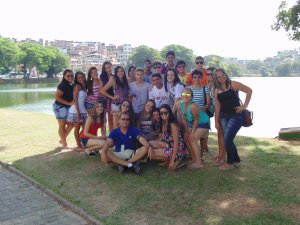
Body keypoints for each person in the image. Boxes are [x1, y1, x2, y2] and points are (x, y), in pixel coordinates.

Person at [214, 68, 252, 170]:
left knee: (227, 139)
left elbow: (249, 91)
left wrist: (244, 106)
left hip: (236, 116)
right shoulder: (216, 90)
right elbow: (217, 107)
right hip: (223, 117)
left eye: (223, 75)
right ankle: (237, 160)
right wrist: (216, 120)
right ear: (216, 79)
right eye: (218, 76)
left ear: (226, 75)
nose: (221, 78)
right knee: (228, 139)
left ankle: (230, 163)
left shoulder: (233, 84)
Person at [173, 88, 210, 169]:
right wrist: (187, 131)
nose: (185, 96)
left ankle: (199, 163)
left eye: (188, 95)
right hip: (191, 122)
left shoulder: (193, 106)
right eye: (183, 95)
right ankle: (194, 159)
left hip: (203, 122)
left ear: (192, 97)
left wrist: (192, 131)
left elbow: (197, 120)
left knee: (193, 139)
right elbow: (183, 118)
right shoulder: (178, 104)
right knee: (187, 138)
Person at [148, 104, 187, 171]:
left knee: (152, 155)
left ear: (169, 112)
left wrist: (172, 160)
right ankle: (168, 160)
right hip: (168, 145)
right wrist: (151, 146)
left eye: (165, 112)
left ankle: (175, 160)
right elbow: (163, 138)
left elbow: (176, 143)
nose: (163, 114)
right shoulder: (164, 123)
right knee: (150, 144)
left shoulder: (172, 125)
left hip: (177, 150)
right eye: (161, 113)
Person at [52, 69, 74, 148]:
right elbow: (56, 97)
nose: (70, 77)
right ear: (64, 77)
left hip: (66, 107)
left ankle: (62, 139)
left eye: (72, 75)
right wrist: (68, 103)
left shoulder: (70, 85)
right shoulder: (63, 85)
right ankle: (64, 144)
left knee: (71, 124)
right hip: (60, 107)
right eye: (68, 76)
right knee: (62, 125)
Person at [66, 71, 88, 150]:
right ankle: (79, 145)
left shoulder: (84, 86)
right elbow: (75, 99)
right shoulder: (77, 86)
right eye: (78, 78)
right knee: (77, 128)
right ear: (76, 79)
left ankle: (81, 142)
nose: (80, 79)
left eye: (82, 77)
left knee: (85, 128)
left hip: (83, 110)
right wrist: (78, 112)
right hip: (76, 110)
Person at [100, 61, 114, 132]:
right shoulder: (102, 76)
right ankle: (104, 136)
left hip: (113, 100)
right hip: (105, 99)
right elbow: (101, 89)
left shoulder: (114, 76)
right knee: (103, 120)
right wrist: (110, 97)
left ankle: (111, 135)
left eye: (109, 67)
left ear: (112, 67)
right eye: (106, 68)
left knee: (111, 119)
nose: (108, 69)